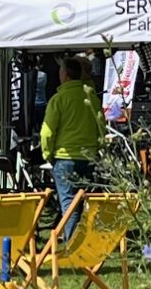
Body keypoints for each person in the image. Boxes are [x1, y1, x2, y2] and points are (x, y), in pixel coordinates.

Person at [42, 56, 105, 240]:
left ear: (65, 75)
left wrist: (48, 154)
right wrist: (97, 146)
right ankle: (84, 241)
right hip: (89, 157)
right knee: (84, 203)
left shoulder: (58, 99)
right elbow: (101, 126)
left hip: (65, 157)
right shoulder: (92, 98)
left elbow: (47, 131)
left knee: (69, 204)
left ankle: (72, 245)